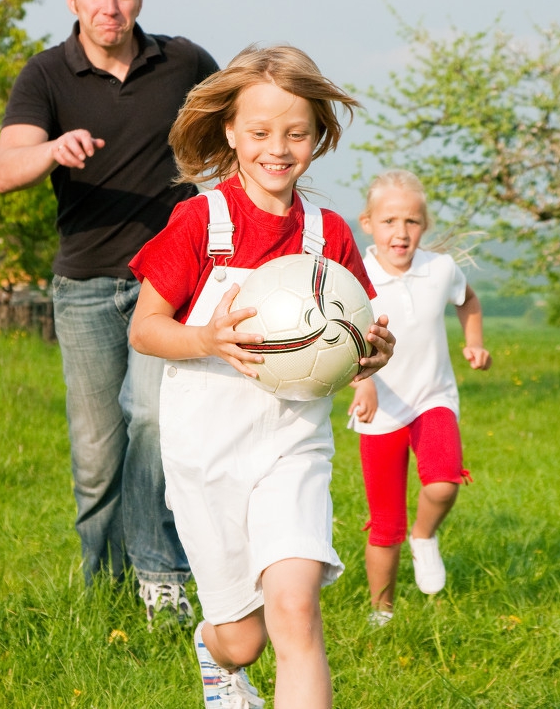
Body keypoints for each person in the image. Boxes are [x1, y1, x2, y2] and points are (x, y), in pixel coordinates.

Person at [129, 45, 395, 708]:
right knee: (243, 640)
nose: (278, 148)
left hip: (290, 445)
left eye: (296, 133)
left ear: (317, 137)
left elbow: (359, 331)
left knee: (296, 610)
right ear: (230, 132)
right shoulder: (200, 221)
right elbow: (145, 328)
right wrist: (206, 338)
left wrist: (371, 354)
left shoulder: (326, 235)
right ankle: (215, 657)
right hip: (206, 452)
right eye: (260, 132)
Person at [0, 0, 218, 622]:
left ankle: (160, 575)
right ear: (72, 0)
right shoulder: (45, 76)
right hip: (86, 284)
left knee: (151, 418)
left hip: (169, 285)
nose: (109, 6)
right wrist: (51, 150)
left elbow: (234, 122)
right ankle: (106, 589)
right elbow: (6, 170)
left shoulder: (183, 61)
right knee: (97, 455)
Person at [346, 169, 491, 625]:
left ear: (424, 225)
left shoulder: (440, 269)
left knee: (444, 482)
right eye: (389, 221)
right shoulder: (357, 277)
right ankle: (381, 611)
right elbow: (343, 338)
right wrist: (362, 381)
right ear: (367, 222)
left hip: (433, 398)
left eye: (411, 222)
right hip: (381, 407)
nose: (401, 232)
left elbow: (468, 299)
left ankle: (424, 536)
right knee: (385, 525)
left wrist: (475, 340)